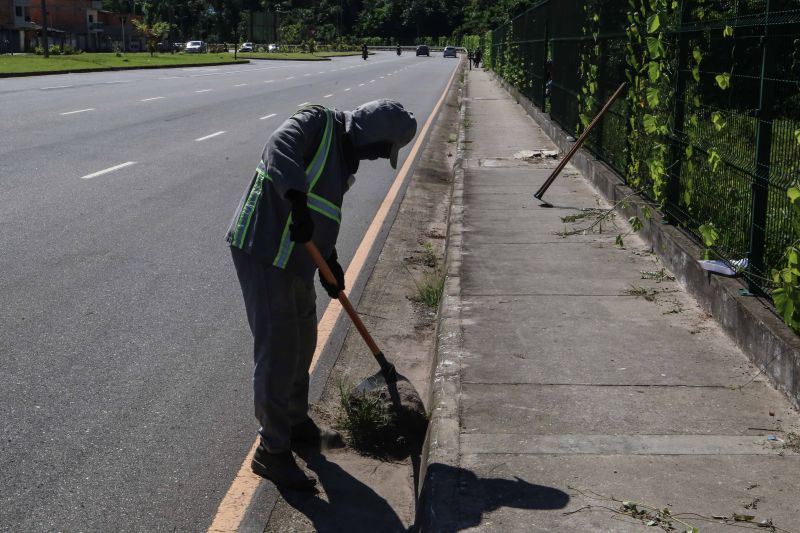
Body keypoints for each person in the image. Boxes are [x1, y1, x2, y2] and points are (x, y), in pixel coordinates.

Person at [226, 100, 417, 490]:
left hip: (296, 260)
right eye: (383, 150)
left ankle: (295, 422)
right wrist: (295, 199)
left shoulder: (345, 163)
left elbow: (321, 215)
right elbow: (280, 145)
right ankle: (272, 451)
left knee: (304, 341)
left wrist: (330, 263)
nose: (381, 158)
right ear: (371, 136)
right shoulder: (317, 121)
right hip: (264, 249)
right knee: (279, 351)